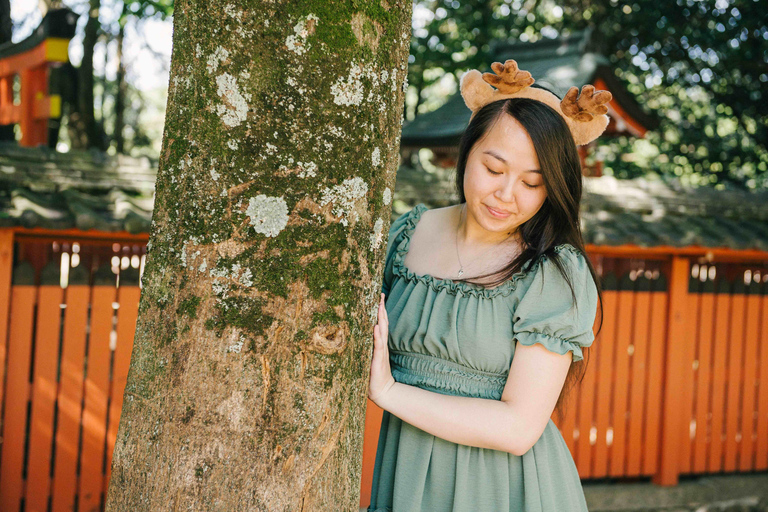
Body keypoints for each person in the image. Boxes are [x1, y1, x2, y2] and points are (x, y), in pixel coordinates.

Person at [366, 60, 609, 511]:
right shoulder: (405, 235)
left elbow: (518, 429)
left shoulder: (554, 272)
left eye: (532, 183)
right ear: (467, 152)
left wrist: (391, 393)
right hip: (407, 478)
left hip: (506, 491)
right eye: (494, 169)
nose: (506, 194)